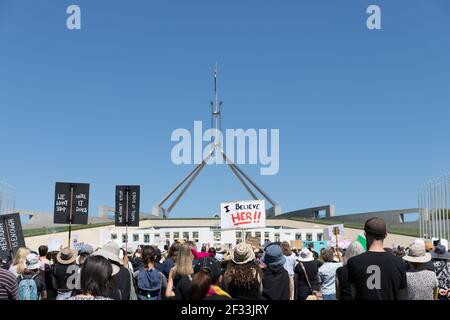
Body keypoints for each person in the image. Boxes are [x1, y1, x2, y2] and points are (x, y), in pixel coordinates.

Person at [347, 217, 407, 300]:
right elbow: (402, 295)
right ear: (386, 234)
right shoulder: (399, 262)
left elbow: (353, 294)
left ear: (365, 234)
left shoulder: (353, 262)